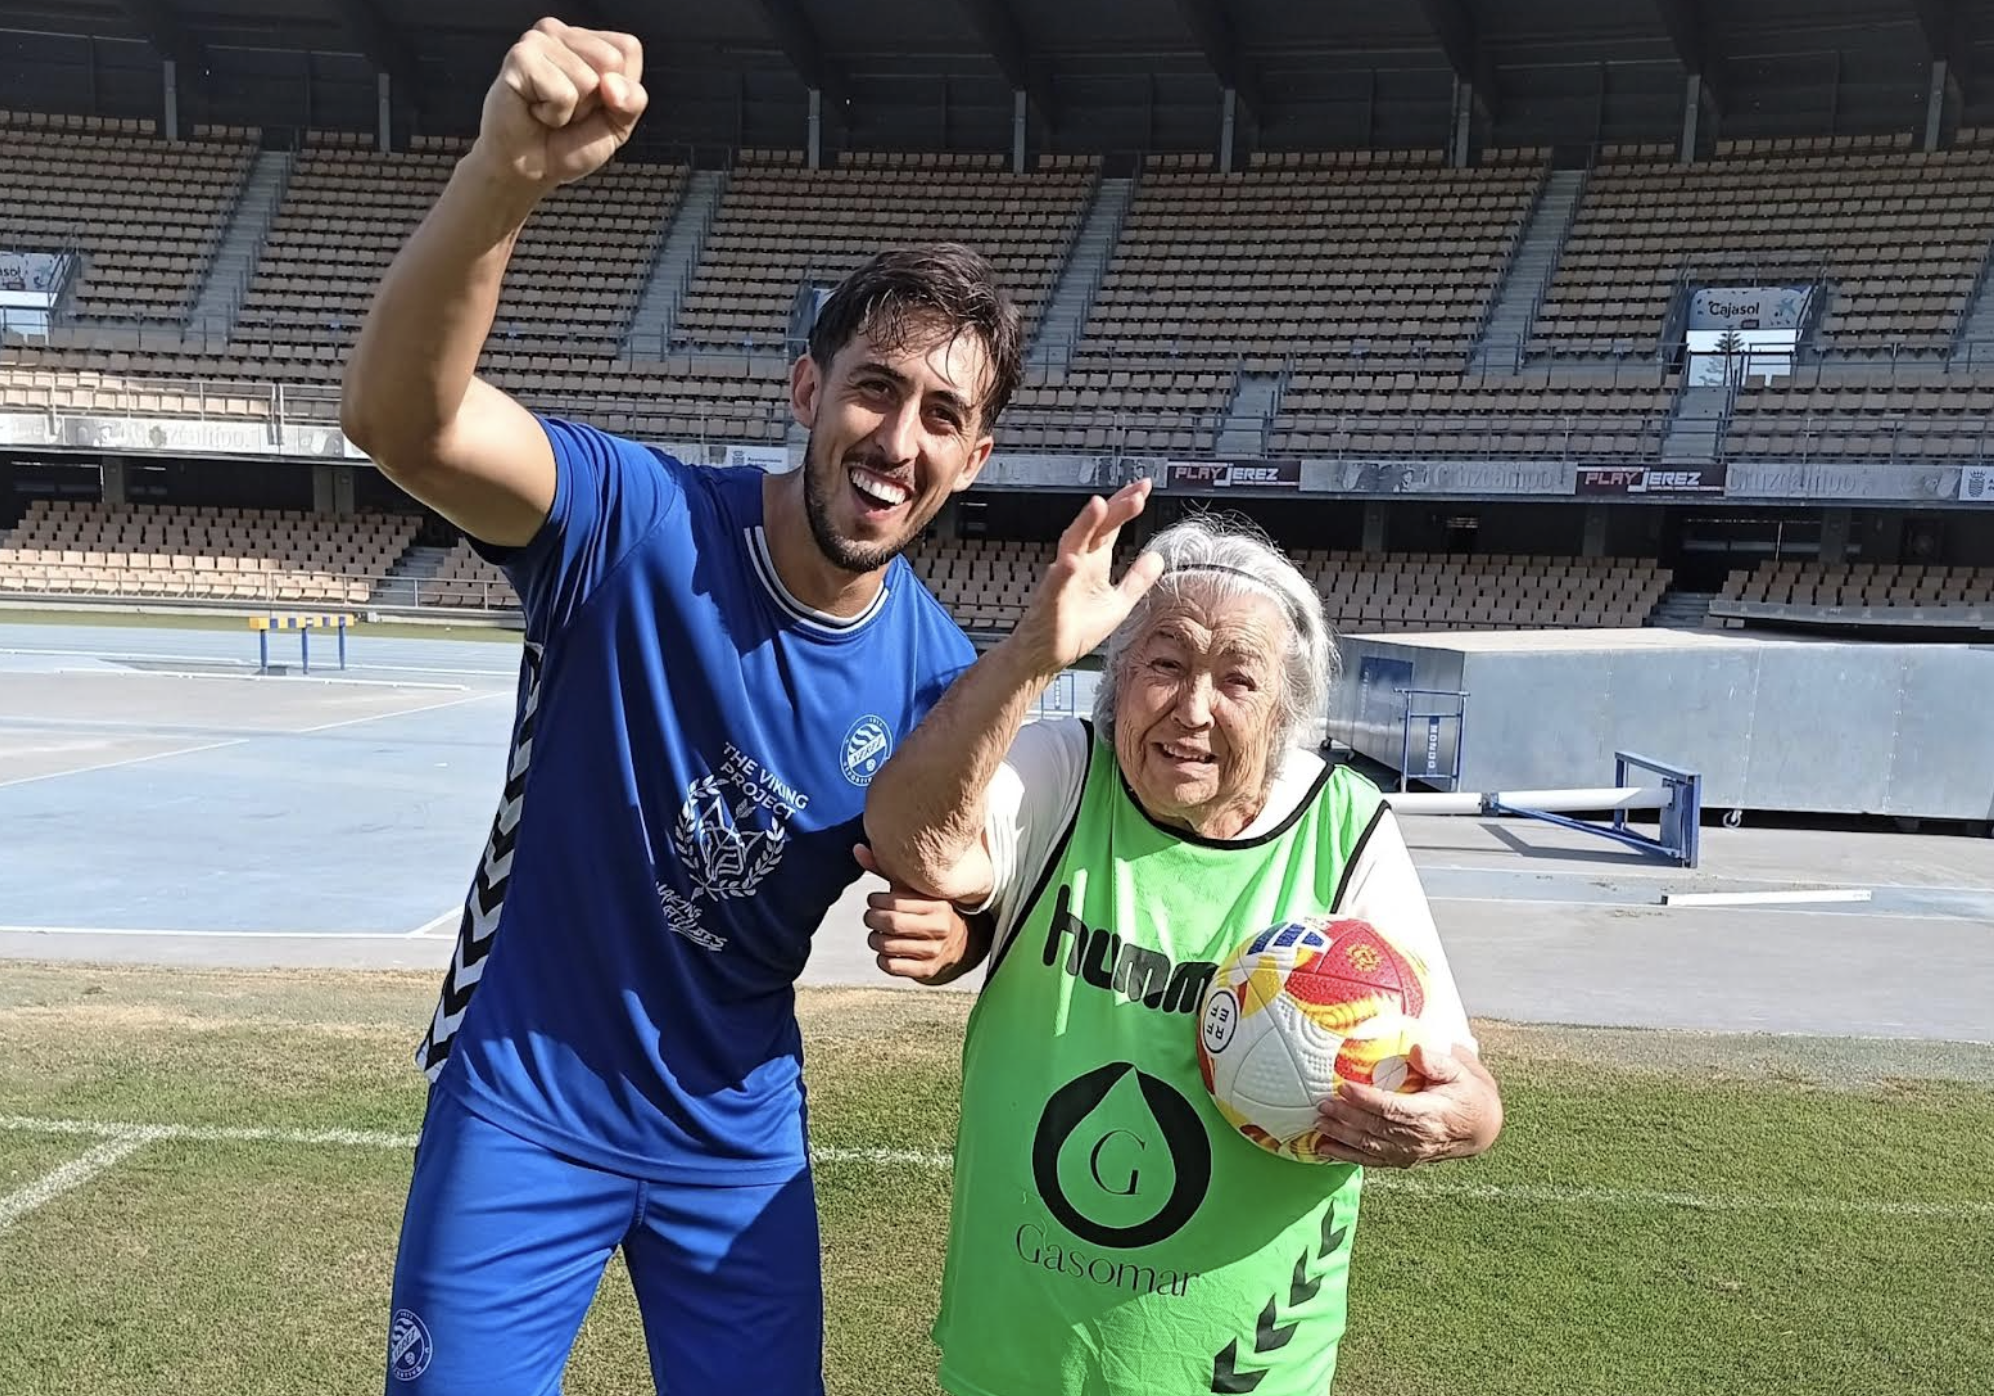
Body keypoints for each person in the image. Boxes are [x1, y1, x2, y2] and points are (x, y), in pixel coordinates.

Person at [340, 18, 1010, 1394]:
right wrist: (505, 172)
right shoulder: (633, 523)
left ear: (973, 457)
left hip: (733, 1132)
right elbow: (403, 423)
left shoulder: (944, 673)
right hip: (524, 1095)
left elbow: (952, 868)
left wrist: (958, 925)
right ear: (807, 389)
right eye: (874, 388)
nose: (897, 439)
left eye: (941, 414)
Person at [862, 493, 1504, 1396]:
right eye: (1164, 664)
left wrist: (1464, 1120)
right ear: (1118, 679)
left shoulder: (1343, 829)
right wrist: (1029, 659)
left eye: (1238, 680)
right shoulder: (1064, 772)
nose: (1193, 709)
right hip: (1019, 1357)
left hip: (1244, 1371)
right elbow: (910, 842)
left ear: (1285, 714)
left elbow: (1459, 1078)